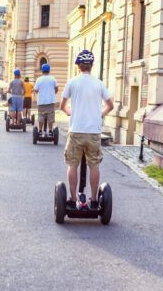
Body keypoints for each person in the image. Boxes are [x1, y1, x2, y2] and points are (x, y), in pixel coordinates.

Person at [60, 50, 114, 209]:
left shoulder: (72, 82)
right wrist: (100, 115)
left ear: (78, 66)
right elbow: (110, 105)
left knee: (72, 164)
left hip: (76, 130)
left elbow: (63, 106)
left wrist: (72, 113)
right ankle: (94, 199)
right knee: (94, 165)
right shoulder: (99, 83)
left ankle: (72, 199)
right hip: (93, 132)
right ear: (91, 66)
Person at [34, 63, 58, 136]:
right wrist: (52, 93)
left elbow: (36, 90)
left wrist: (40, 92)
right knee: (50, 117)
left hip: (41, 102)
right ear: (49, 70)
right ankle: (50, 131)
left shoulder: (39, 79)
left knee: (41, 116)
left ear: (42, 71)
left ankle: (40, 131)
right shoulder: (53, 78)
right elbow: (56, 89)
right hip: (50, 101)